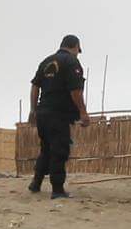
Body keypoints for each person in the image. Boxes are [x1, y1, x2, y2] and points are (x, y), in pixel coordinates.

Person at [27, 35, 89, 199]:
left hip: (43, 113)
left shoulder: (46, 61)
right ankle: (57, 189)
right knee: (59, 150)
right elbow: (75, 91)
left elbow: (35, 86)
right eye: (78, 50)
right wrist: (83, 112)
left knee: (46, 149)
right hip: (58, 114)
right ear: (75, 46)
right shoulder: (71, 62)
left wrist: (33, 110)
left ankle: (36, 183)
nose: (78, 54)